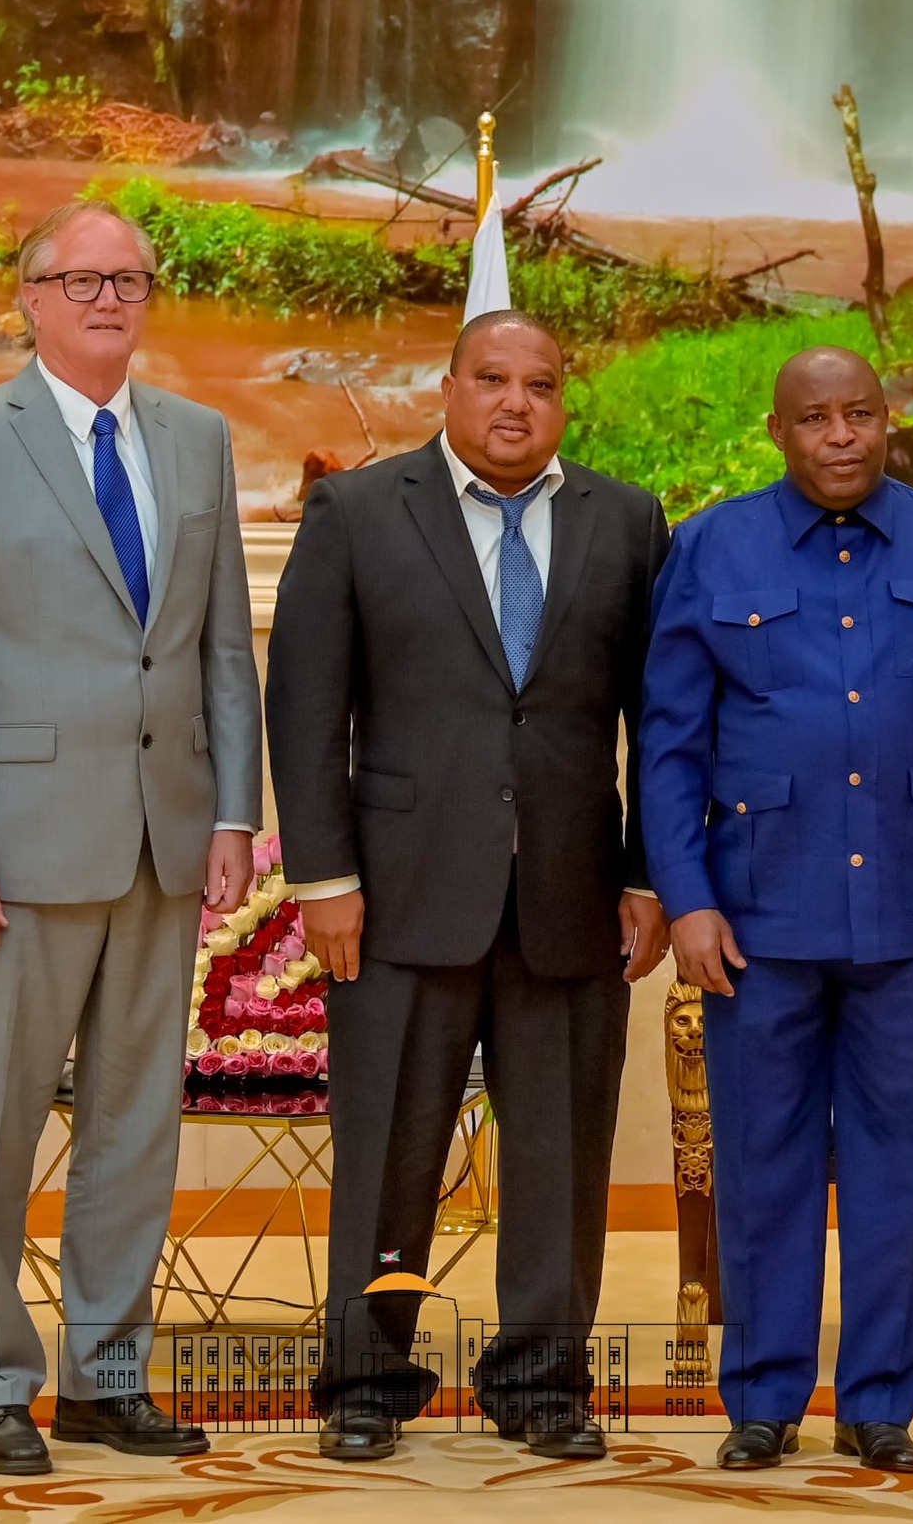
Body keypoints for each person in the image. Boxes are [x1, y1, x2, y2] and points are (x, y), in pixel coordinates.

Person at [0, 200, 260, 1475]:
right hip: (14, 850)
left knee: (132, 1127)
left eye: (130, 280)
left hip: (165, 844)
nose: (107, 299)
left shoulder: (199, 443)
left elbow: (220, 652)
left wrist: (232, 811)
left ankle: (106, 1375)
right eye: (79, 279)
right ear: (29, 298)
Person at [265, 308, 669, 1462]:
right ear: (445, 388)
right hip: (396, 897)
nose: (512, 404)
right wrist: (324, 876)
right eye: (489, 379)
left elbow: (665, 718)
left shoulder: (627, 520)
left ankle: (541, 1384)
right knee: (391, 1150)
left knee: (559, 1156)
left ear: (562, 401)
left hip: (569, 897)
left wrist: (645, 873)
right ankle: (366, 1380)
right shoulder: (355, 511)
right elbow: (304, 709)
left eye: (538, 385)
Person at [640, 346, 913, 1475]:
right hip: (756, 915)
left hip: (910, 913)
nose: (843, 436)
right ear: (779, 432)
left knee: (892, 1164)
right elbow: (668, 743)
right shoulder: (712, 547)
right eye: (816, 418)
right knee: (760, 1162)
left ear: (889, 419)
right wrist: (687, 901)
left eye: (861, 413)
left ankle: (877, 1406)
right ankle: (760, 1400)